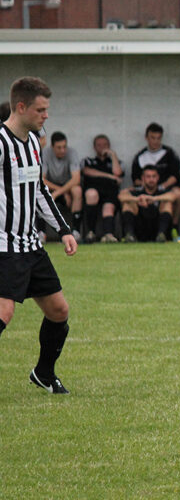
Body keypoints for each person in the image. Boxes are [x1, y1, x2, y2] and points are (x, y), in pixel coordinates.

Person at [0, 77, 77, 394]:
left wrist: (64, 229)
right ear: (21, 107)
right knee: (4, 312)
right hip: (3, 246)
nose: (46, 115)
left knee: (59, 311)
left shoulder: (33, 142)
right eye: (41, 110)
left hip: (30, 246)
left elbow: (39, 190)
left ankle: (44, 373)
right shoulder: (0, 143)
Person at [130, 122, 180, 237]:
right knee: (129, 195)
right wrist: (147, 186)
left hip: (165, 188)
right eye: (153, 138)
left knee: (178, 194)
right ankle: (132, 233)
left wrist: (161, 186)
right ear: (146, 138)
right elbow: (135, 179)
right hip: (146, 189)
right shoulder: (140, 156)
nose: (155, 141)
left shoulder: (169, 153)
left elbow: (175, 176)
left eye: (158, 138)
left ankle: (174, 226)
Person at [119, 165, 180, 243]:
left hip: (157, 228)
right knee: (128, 204)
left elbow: (173, 196)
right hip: (140, 229)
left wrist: (153, 198)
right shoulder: (137, 192)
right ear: (143, 178)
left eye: (154, 176)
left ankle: (162, 235)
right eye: (148, 176)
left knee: (167, 203)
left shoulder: (162, 192)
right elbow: (121, 197)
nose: (151, 179)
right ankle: (129, 235)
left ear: (158, 177)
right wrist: (137, 199)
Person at [40, 131, 83, 240]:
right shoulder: (45, 153)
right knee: (38, 191)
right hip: (51, 187)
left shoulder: (72, 153)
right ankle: (41, 232)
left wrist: (60, 192)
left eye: (64, 147)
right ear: (52, 146)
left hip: (66, 187)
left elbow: (76, 179)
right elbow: (41, 179)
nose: (62, 150)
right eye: (59, 148)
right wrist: (60, 191)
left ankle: (76, 231)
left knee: (77, 190)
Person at [81, 134, 123, 243]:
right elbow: (87, 171)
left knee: (108, 207)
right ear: (94, 147)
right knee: (92, 194)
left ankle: (108, 235)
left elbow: (118, 173)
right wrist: (109, 176)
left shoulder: (115, 162)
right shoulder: (88, 161)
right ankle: (90, 233)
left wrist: (113, 155)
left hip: (110, 193)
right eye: (99, 145)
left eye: (105, 145)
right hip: (93, 191)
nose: (102, 147)